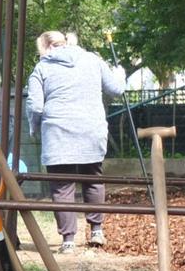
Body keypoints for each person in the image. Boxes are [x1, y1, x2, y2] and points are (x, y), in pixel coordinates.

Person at [25, 29, 124, 253]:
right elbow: (117, 89)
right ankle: (97, 230)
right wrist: (120, 73)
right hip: (92, 130)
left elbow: (36, 106)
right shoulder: (93, 60)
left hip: (58, 133)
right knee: (93, 178)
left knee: (62, 186)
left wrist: (35, 128)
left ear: (48, 47)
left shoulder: (42, 69)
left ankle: (68, 240)